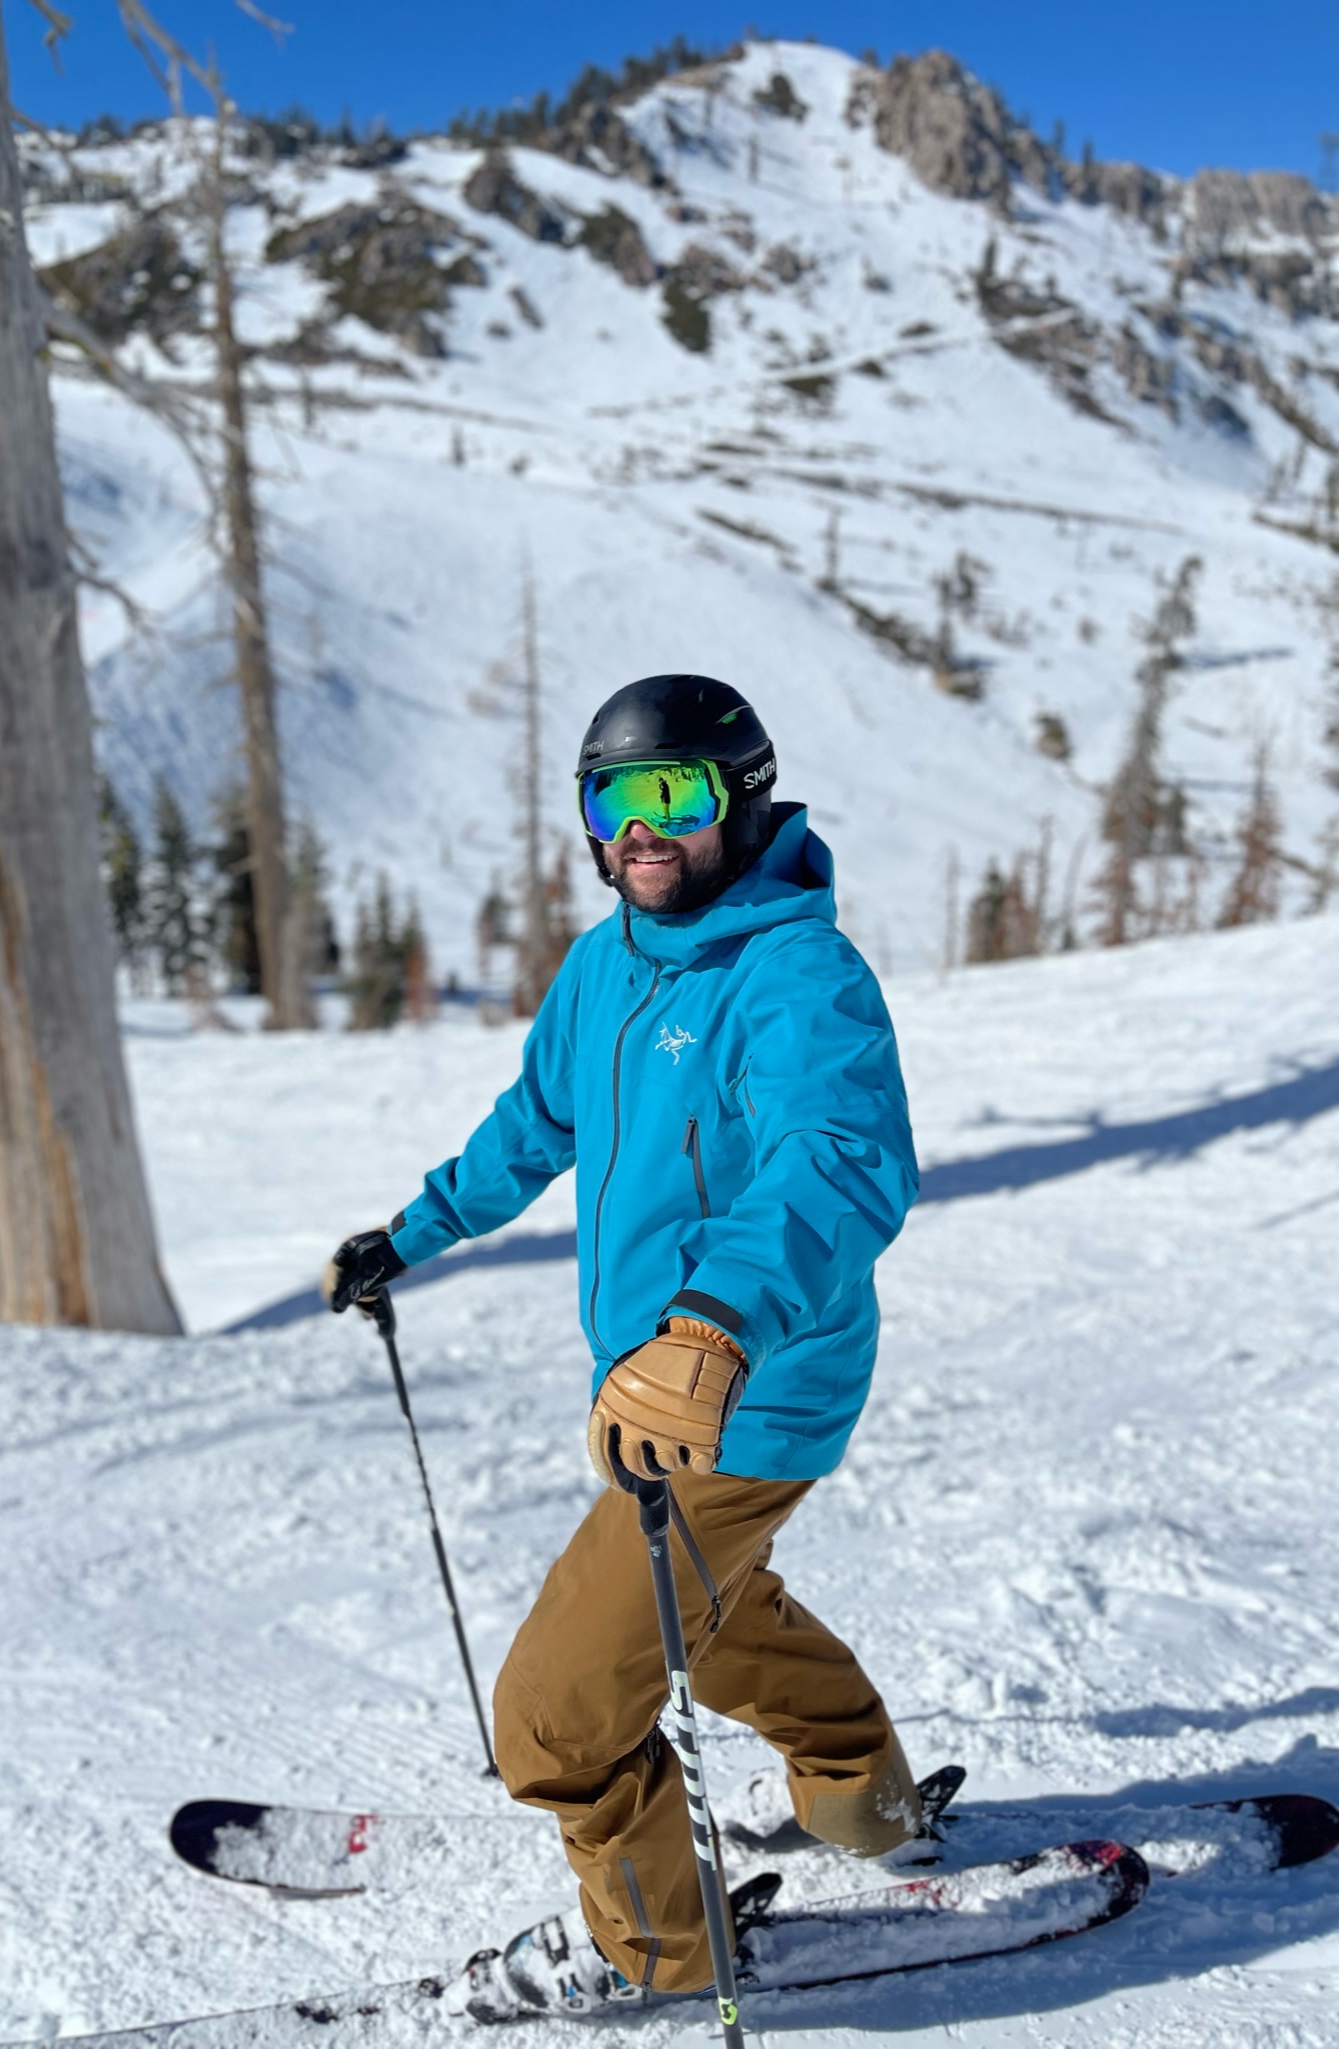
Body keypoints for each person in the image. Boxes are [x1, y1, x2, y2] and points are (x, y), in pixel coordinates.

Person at [325, 674, 922, 2020]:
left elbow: (845, 1158)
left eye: (673, 793)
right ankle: (865, 1803)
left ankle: (657, 1950)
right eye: (613, 797)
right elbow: (531, 1123)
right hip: (650, 1391)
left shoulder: (797, 974)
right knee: (706, 1626)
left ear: (741, 801)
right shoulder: (605, 967)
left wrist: (713, 1326)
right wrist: (411, 1234)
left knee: (550, 1716)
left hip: (750, 1388)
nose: (639, 829)